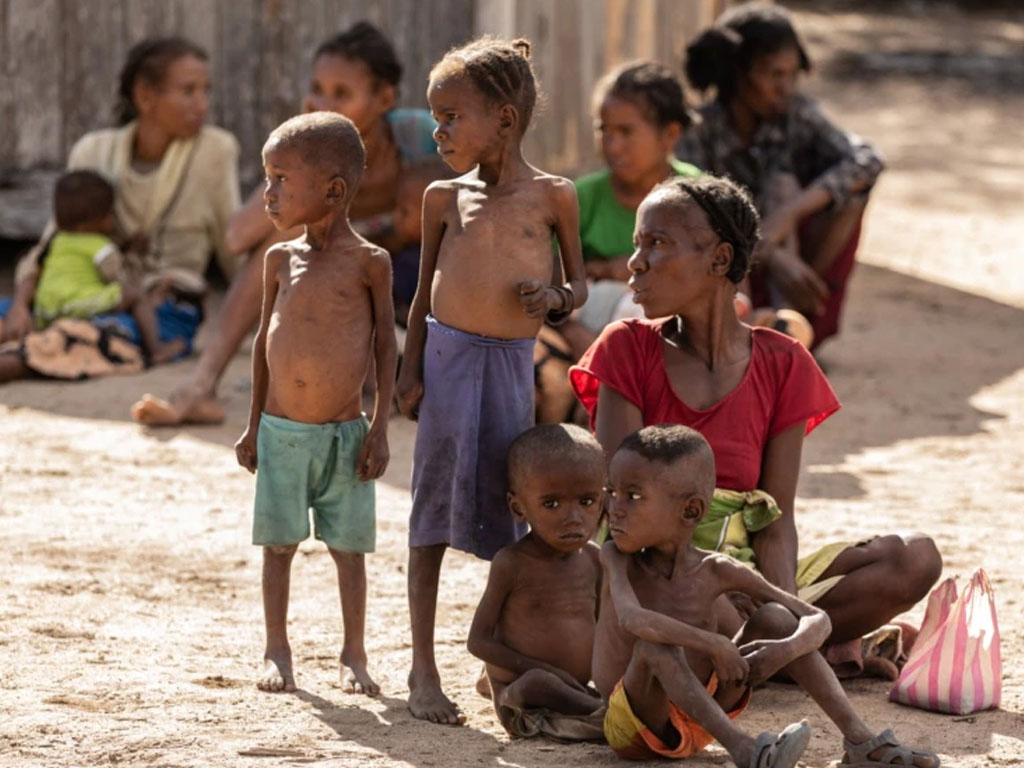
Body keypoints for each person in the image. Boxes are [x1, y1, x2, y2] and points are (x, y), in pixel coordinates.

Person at [570, 175, 942, 675]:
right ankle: (783, 656)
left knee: (914, 559)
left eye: (656, 244)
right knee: (701, 608)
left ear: (720, 260)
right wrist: (716, 585)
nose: (635, 262)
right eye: (638, 243)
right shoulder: (626, 348)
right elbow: (623, 506)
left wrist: (781, 608)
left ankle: (768, 652)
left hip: (747, 580)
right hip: (655, 576)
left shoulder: (782, 361)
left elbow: (775, 517)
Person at [396, 36, 588, 725]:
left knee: (511, 509)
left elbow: (580, 286)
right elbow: (421, 295)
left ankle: (501, 662)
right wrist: (409, 365)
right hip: (447, 365)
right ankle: (423, 666)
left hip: (510, 368)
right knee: (431, 510)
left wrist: (555, 301)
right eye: (435, 117)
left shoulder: (553, 195)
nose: (438, 131)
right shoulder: (443, 198)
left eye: (451, 117)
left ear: (504, 120)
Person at [131, 21, 436, 426]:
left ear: (384, 98)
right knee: (286, 234)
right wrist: (297, 165)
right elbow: (238, 235)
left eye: (341, 94)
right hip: (344, 304)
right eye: (317, 89)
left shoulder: (420, 137)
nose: (323, 103)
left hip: (413, 297)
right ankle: (199, 387)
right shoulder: (307, 149)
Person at [597, 425, 941, 768]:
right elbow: (633, 619)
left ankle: (861, 742)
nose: (614, 507)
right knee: (654, 646)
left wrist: (785, 649)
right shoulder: (616, 557)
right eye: (611, 492)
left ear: (691, 511)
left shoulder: (716, 569)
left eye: (633, 496)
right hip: (637, 721)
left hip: (705, 710)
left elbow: (816, 619)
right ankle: (746, 750)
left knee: (776, 617)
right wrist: (713, 644)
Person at [233, 112, 397, 695]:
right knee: (278, 547)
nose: (268, 194)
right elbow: (262, 345)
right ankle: (277, 651)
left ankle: (354, 654)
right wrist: (252, 426)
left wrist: (379, 428)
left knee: (347, 551)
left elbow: (384, 344)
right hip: (281, 433)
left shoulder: (369, 263)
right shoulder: (279, 259)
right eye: (266, 179)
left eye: (279, 180)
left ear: (332, 190)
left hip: (344, 436)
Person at [0, 37, 239, 385]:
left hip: (163, 308)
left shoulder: (215, 151)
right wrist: (22, 306)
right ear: (144, 96)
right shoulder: (92, 151)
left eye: (206, 91)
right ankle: (37, 343)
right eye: (188, 91)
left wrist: (267, 309)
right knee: (11, 314)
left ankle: (17, 362)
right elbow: (51, 247)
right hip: (82, 298)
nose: (202, 104)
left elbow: (232, 246)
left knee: (107, 333)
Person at [677, 2, 883, 348]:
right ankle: (753, 327)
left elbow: (867, 159)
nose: (786, 86)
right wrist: (770, 252)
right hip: (733, 274)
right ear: (739, 74)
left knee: (810, 190)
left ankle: (792, 324)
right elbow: (691, 213)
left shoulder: (796, 115)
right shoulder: (699, 132)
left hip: (804, 274)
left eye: (791, 74)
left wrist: (790, 214)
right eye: (774, 75)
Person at [467, 424, 605, 740]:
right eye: (552, 504)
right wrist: (543, 670)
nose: (573, 518)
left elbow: (605, 626)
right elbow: (478, 641)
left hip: (578, 684)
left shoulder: (595, 560)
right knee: (540, 683)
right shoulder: (512, 563)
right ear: (518, 507)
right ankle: (600, 711)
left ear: (602, 499)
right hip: (524, 690)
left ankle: (594, 704)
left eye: (586, 501)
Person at [558, 61, 701, 361]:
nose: (612, 145)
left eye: (625, 132)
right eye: (603, 130)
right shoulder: (578, 198)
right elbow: (549, 284)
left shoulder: (701, 197)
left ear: (669, 135)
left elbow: (736, 291)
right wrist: (574, 334)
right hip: (587, 340)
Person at [32, 171, 183, 365]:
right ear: (106, 219)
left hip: (45, 308)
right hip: (79, 303)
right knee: (135, 296)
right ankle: (156, 348)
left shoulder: (56, 241)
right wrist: (134, 257)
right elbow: (120, 279)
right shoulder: (101, 247)